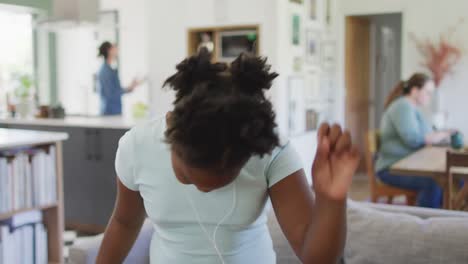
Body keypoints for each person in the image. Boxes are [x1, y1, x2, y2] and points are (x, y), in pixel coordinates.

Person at [96, 50, 360, 263]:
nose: (203, 189)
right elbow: (124, 222)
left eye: (223, 179)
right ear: (172, 135)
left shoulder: (269, 150)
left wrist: (331, 199)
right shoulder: (137, 146)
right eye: (188, 175)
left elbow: (315, 256)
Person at [376, 73, 453, 208]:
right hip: (391, 168)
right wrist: (441, 135)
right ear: (415, 91)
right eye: (428, 93)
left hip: (405, 166)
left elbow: (427, 134)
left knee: (448, 178)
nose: (430, 97)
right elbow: (414, 139)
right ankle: (425, 224)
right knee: (434, 182)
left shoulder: (413, 109)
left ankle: (446, 216)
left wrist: (439, 134)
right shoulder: (402, 106)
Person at [97, 41, 143, 115]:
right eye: (114, 48)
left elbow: (116, 90)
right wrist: (128, 88)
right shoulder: (105, 71)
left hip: (114, 110)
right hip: (109, 112)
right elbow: (110, 94)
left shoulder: (110, 70)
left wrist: (131, 87)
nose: (117, 50)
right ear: (109, 51)